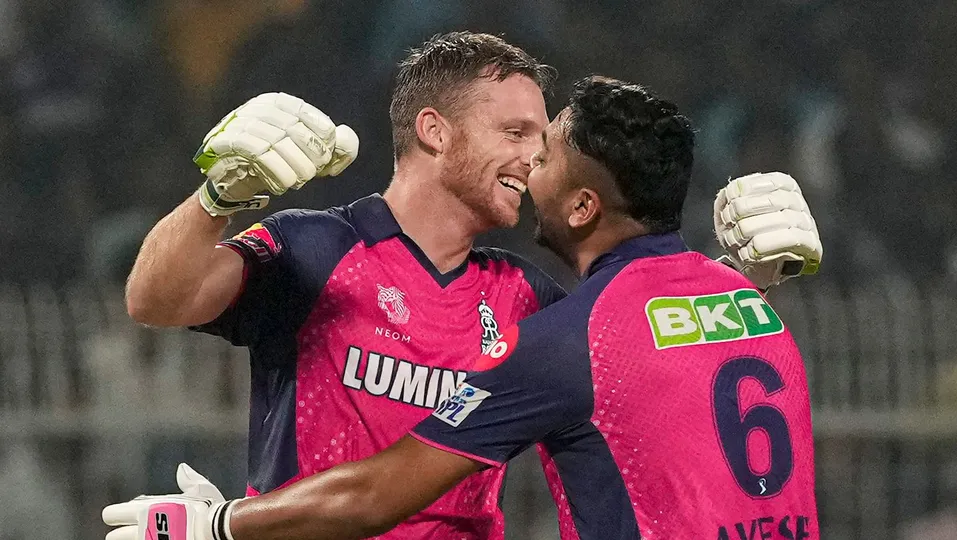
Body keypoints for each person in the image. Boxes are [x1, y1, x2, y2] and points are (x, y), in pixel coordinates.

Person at [117, 32, 821, 539]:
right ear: (435, 132)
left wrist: (744, 282)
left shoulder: (523, 294)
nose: (534, 156)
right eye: (515, 132)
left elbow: (641, 363)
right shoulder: (320, 248)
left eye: (542, 140)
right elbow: (155, 299)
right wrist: (217, 199)